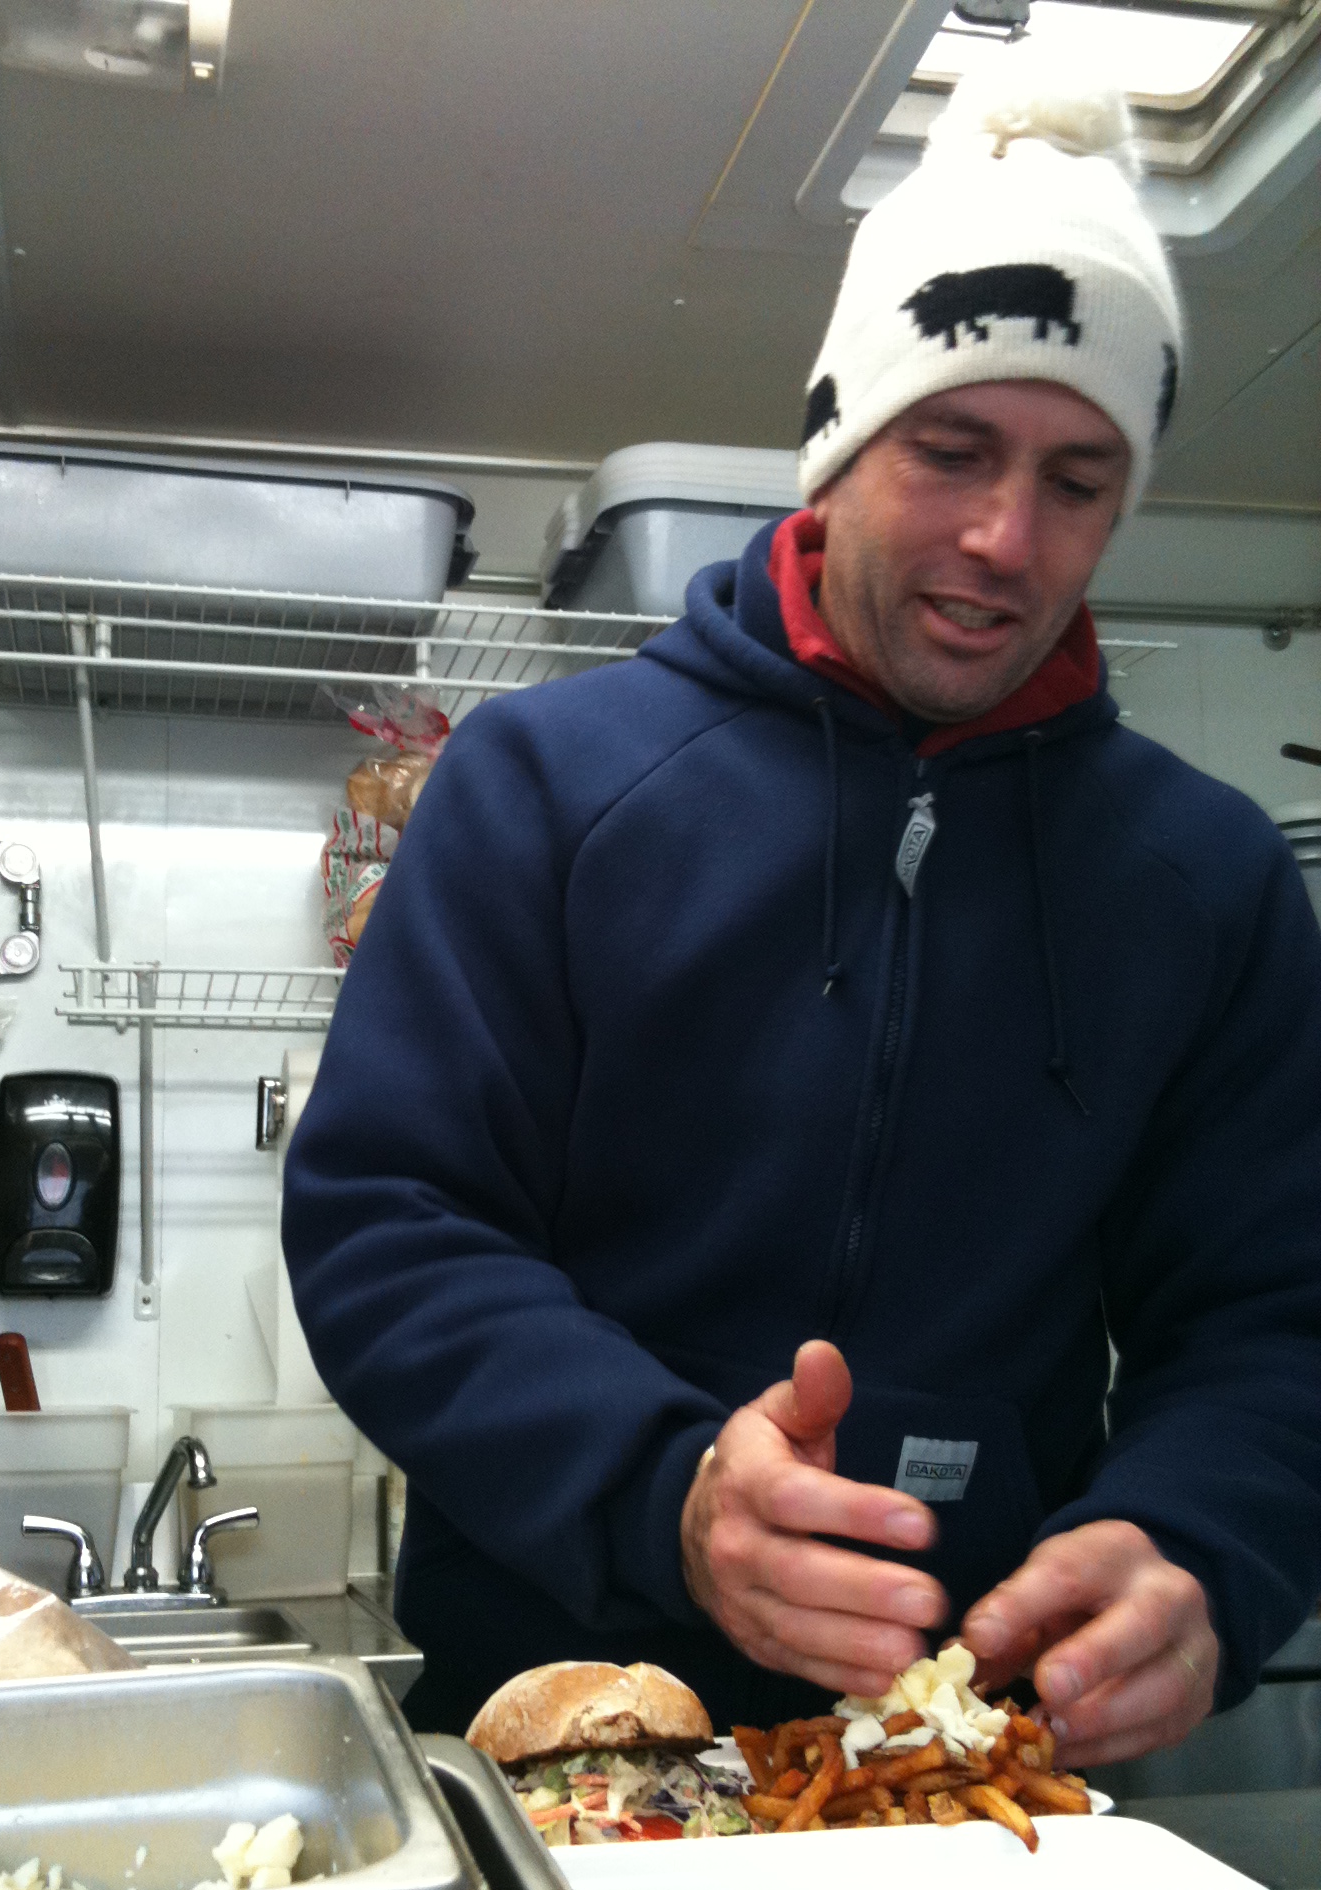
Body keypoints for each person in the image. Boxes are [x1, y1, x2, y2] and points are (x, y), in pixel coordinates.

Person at [283, 65, 1321, 1757]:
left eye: (1079, 481)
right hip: (572, 1718)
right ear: (837, 446)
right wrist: (668, 1490)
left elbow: (1275, 1321)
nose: (1006, 537)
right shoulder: (547, 787)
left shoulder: (1208, 882)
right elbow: (390, 1224)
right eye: (953, 451)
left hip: (979, 1750)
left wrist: (1202, 1544)